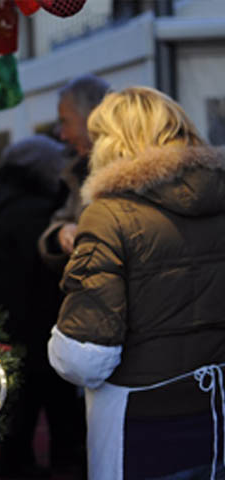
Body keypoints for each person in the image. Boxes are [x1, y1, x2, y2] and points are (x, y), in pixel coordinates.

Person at [48, 86, 225, 479]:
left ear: (115, 141)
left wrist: (55, 346)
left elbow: (85, 357)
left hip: (141, 428)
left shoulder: (108, 215)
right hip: (217, 415)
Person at [0, 134, 85, 478]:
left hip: (16, 332)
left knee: (18, 427)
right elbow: (45, 276)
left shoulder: (9, 205)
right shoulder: (34, 211)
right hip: (40, 333)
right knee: (61, 427)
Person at [38, 74, 111, 273]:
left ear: (92, 117)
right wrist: (60, 234)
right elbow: (60, 221)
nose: (61, 134)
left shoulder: (130, 174)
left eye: (65, 122)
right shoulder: (78, 172)